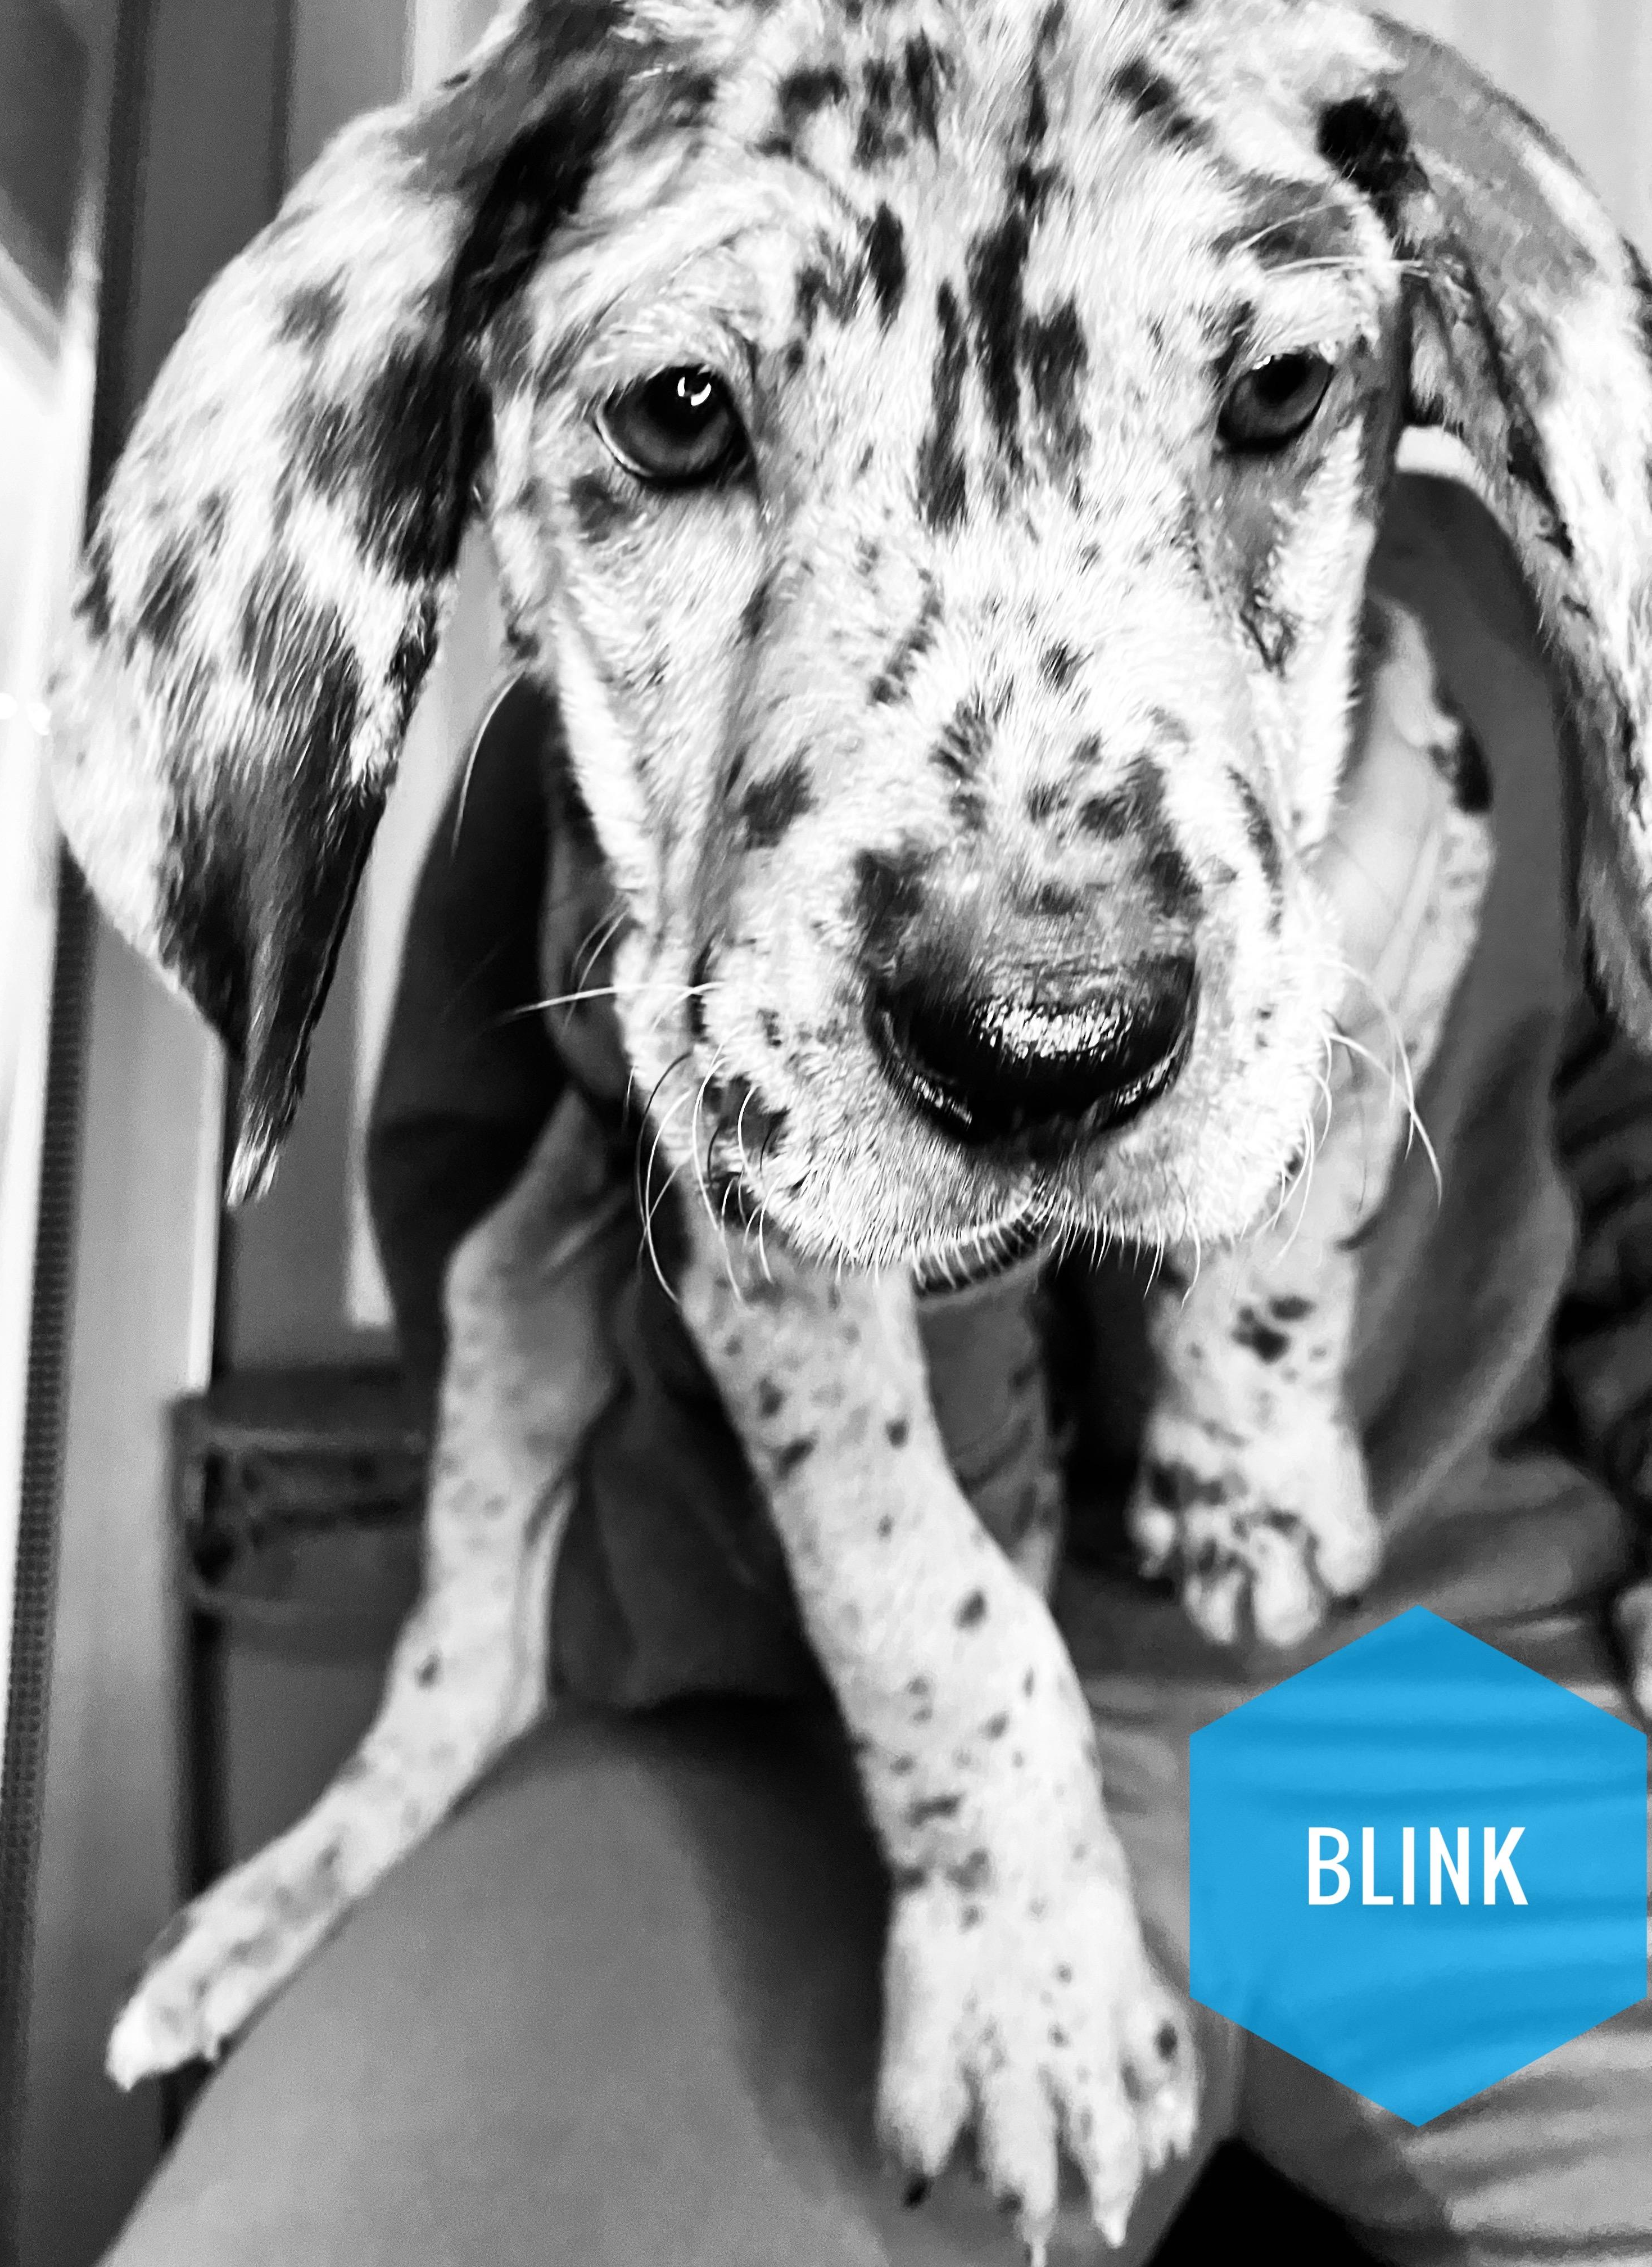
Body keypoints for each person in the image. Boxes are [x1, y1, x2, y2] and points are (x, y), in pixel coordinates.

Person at [99, 473, 1652, 2266]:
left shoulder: (1503, 609)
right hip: (784, 1725)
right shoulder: (617, 694)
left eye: (1275, 391)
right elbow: (508, 1252)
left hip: (1399, 1736)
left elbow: (1619, 1129)